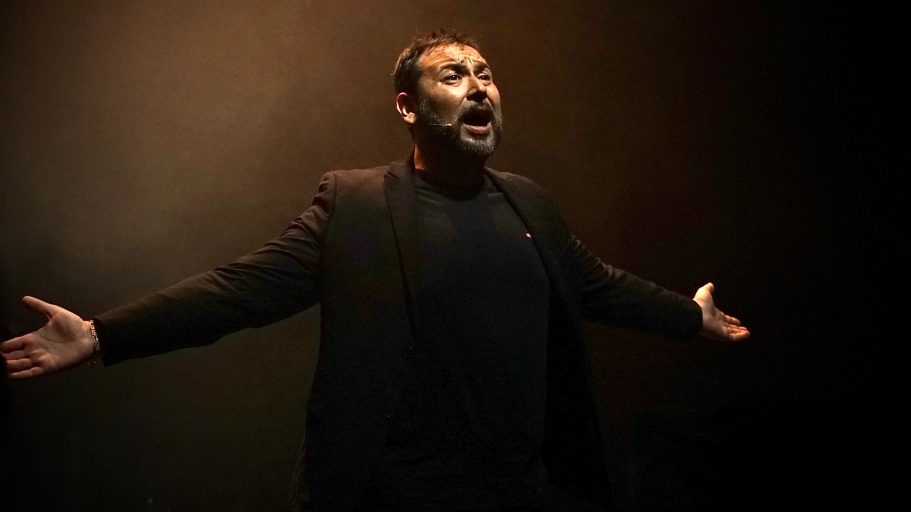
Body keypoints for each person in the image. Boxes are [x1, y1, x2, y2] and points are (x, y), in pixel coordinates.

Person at [1, 30, 749, 511]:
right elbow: (240, 290)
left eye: (486, 74)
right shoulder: (357, 205)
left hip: (519, 490)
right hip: (394, 493)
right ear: (407, 106)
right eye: (453, 75)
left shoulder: (529, 204)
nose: (479, 86)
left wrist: (689, 316)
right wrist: (101, 335)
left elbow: (598, 285)